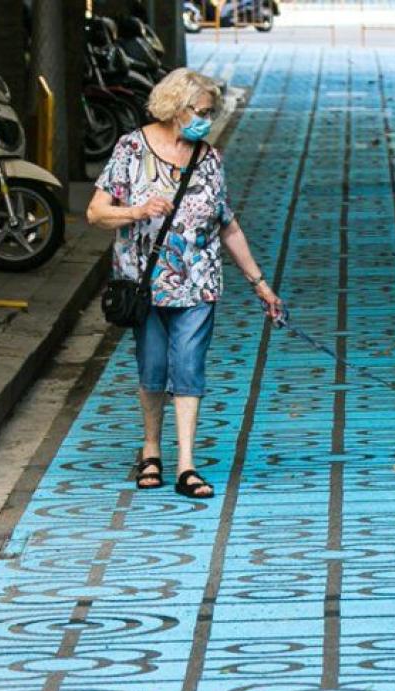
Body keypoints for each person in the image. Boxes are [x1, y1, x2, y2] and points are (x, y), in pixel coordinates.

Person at [87, 69, 282, 499]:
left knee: (189, 368)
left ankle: (187, 464)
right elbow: (96, 212)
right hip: (144, 283)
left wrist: (260, 283)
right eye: (202, 112)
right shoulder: (131, 149)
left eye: (211, 114)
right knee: (153, 367)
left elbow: (227, 225)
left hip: (199, 284)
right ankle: (151, 449)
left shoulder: (209, 159)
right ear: (176, 108)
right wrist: (135, 211)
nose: (206, 121)